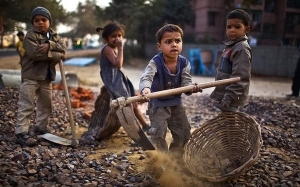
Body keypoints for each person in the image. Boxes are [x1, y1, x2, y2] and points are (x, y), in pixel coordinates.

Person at [139, 24, 202, 152]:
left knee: (183, 131)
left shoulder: (184, 63)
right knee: (158, 133)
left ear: (182, 43)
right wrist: (145, 89)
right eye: (168, 42)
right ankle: (161, 160)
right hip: (158, 105)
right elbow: (146, 77)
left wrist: (191, 88)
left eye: (177, 41)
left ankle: (176, 157)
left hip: (176, 104)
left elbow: (186, 82)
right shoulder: (155, 62)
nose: (174, 44)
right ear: (159, 46)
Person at [15, 6, 66, 146]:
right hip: (31, 76)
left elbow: (64, 46)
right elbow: (35, 54)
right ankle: (21, 132)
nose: (41, 23)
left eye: (44, 19)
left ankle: (41, 128)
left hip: (46, 76)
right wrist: (58, 55)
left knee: (45, 105)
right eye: (37, 20)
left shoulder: (54, 35)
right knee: (27, 105)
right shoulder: (30, 36)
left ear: (49, 21)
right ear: (32, 23)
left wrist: (50, 44)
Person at [96, 21, 151, 132]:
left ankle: (144, 125)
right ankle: (134, 130)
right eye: (113, 36)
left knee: (133, 103)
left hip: (120, 80)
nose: (117, 39)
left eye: (119, 36)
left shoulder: (114, 48)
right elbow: (118, 64)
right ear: (106, 38)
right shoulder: (107, 49)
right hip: (114, 82)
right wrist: (121, 48)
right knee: (127, 106)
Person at [210, 9, 252, 112]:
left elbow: (240, 77)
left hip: (231, 97)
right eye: (229, 27)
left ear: (246, 29)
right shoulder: (231, 45)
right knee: (226, 123)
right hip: (226, 94)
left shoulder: (241, 48)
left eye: (237, 27)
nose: (232, 30)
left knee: (230, 124)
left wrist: (229, 97)